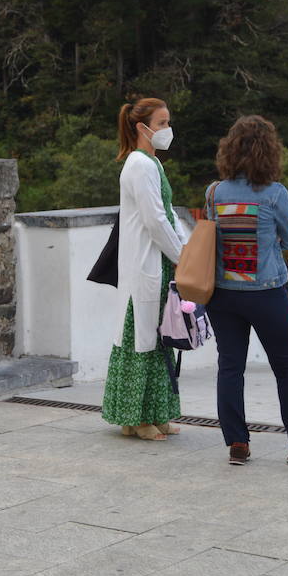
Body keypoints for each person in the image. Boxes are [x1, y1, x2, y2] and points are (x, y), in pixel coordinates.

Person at [203, 115, 288, 466]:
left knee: (230, 367)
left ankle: (237, 443)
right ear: (270, 152)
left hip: (222, 294)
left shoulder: (214, 192)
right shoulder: (276, 194)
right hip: (266, 293)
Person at [101, 98, 190, 441]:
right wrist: (183, 257)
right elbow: (155, 221)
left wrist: (182, 253)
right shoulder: (139, 165)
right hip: (144, 264)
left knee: (159, 337)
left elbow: (167, 213)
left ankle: (155, 413)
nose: (168, 130)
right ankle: (134, 419)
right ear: (142, 127)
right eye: (163, 123)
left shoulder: (153, 164)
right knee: (140, 339)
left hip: (159, 262)